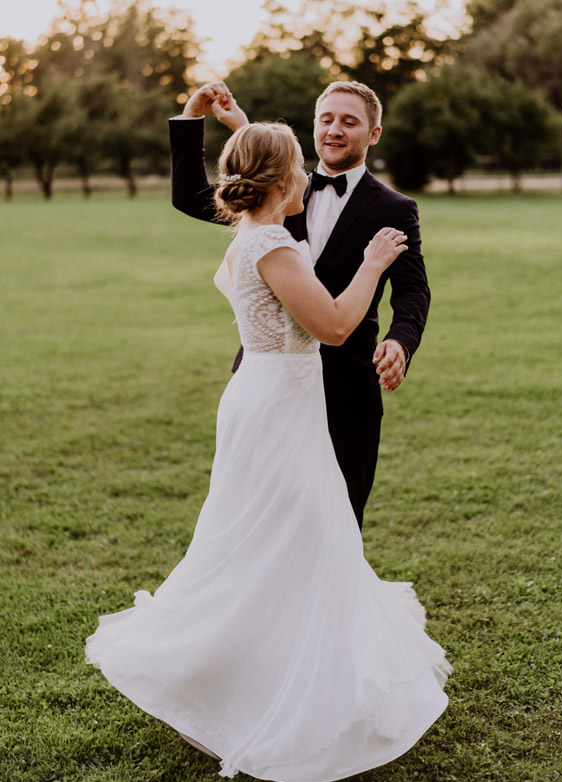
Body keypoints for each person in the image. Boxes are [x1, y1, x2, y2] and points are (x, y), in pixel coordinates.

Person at [86, 122, 451, 782]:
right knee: (293, 531)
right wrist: (372, 264)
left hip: (269, 395)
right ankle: (245, 684)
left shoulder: (251, 237)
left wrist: (240, 129)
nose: (310, 177)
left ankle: (272, 662)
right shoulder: (272, 244)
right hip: (279, 403)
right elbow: (335, 325)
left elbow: (277, 276)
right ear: (283, 181)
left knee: (281, 531)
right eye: (298, 170)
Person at [170, 79, 429, 528]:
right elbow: (195, 194)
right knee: (264, 519)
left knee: (340, 523)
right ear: (312, 126)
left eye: (349, 122)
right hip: (274, 385)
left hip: (349, 384)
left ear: (373, 134)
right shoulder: (283, 186)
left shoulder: (395, 207)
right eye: (326, 119)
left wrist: (400, 341)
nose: (334, 130)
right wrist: (193, 119)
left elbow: (413, 288)